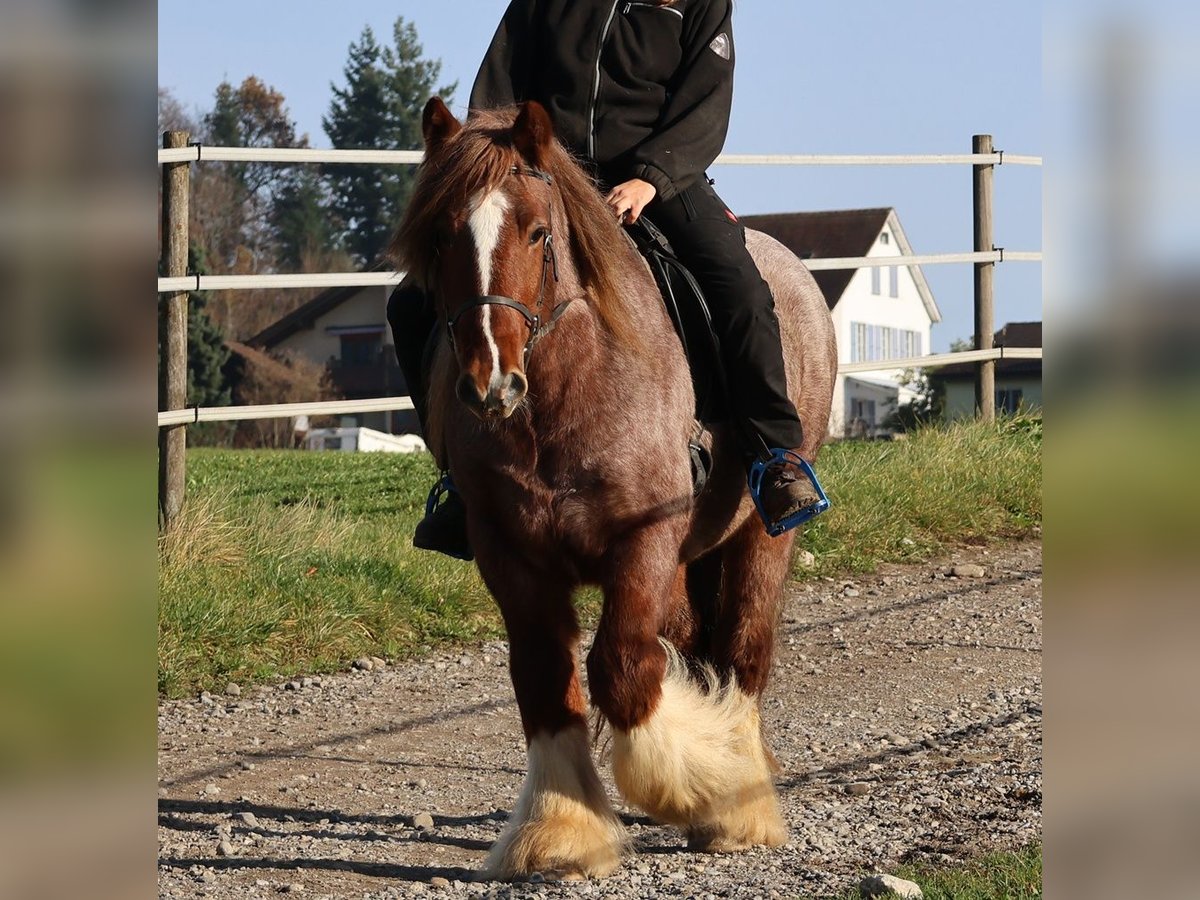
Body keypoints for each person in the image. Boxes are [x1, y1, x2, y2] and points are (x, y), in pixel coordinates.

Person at [388, 0, 822, 560]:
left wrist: (650, 178)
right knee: (409, 305)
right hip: (542, 173)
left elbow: (706, 105)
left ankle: (775, 456)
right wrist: (496, 166)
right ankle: (457, 475)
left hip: (657, 180)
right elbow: (498, 87)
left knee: (739, 285)